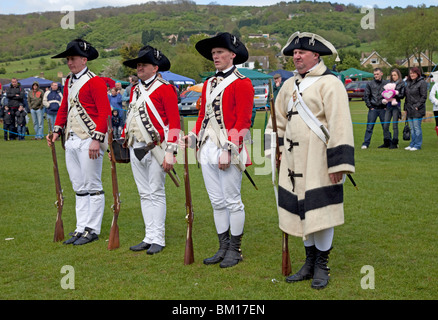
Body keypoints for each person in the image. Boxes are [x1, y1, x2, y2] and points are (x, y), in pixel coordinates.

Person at [265, 32, 355, 289]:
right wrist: (274, 152)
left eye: (302, 52)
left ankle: (322, 266)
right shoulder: (289, 85)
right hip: (293, 162)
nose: (297, 57)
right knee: (301, 211)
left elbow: (340, 124)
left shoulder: (331, 83)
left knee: (321, 211)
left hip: (320, 160)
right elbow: (277, 121)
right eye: (294, 53)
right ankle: (308, 262)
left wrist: (339, 164)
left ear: (316, 55)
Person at [181, 32, 254, 268]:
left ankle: (235, 249)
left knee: (233, 202)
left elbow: (243, 122)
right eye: (213, 53)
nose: (216, 56)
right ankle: (222, 247)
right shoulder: (209, 84)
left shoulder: (242, 82)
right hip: (208, 148)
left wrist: (229, 150)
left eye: (220, 52)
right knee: (217, 202)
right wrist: (193, 137)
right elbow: (204, 117)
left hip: (228, 148)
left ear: (232, 55)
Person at [46, 39, 112, 245]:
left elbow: (104, 113)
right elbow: (64, 107)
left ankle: (92, 229)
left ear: (84, 60)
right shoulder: (69, 81)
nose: (69, 63)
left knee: (93, 185)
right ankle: (80, 227)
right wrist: (57, 131)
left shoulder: (95, 81)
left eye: (73, 59)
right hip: (72, 139)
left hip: (89, 140)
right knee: (78, 186)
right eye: (68, 59)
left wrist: (96, 139)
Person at [121, 45, 180, 255]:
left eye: (143, 64)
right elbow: (131, 116)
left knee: (156, 192)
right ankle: (149, 236)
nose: (139, 68)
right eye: (138, 65)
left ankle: (159, 238)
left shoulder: (165, 88)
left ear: (155, 67)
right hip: (136, 146)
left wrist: (171, 152)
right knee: (144, 194)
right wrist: (123, 139)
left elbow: (174, 122)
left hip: (157, 147)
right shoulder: (135, 89)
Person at [360, 68, 389, 149]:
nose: (376, 76)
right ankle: (366, 143)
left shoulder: (386, 83)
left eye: (377, 74)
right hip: (373, 108)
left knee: (385, 126)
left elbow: (389, 95)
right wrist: (370, 106)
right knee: (369, 127)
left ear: (381, 74)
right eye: (375, 74)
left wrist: (386, 106)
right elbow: (366, 96)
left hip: (383, 108)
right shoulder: (370, 84)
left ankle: (388, 142)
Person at [404, 67, 427, 151]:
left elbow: (424, 96)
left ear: (417, 73)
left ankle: (417, 145)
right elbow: (407, 97)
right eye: (410, 73)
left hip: (417, 109)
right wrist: (405, 107)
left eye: (413, 73)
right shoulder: (408, 83)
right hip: (409, 108)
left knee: (417, 128)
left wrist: (417, 105)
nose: (412, 74)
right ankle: (412, 144)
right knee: (412, 128)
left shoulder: (422, 83)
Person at [382, 68, 405, 149]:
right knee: (385, 125)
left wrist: (393, 94)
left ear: (398, 75)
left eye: (395, 75)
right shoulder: (389, 83)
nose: (393, 76)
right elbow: (384, 93)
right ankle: (387, 141)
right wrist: (386, 95)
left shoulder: (401, 84)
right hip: (388, 106)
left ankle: (395, 142)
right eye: (392, 75)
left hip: (396, 106)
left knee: (395, 125)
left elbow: (402, 95)